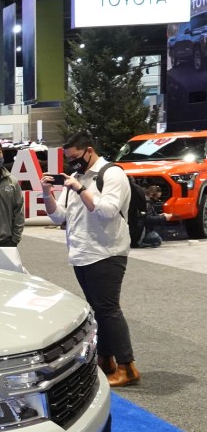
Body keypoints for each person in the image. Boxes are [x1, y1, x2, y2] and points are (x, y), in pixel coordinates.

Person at [40, 131, 139, 387]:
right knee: (99, 311)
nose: (73, 164)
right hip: (81, 253)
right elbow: (58, 216)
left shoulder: (112, 174)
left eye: (75, 158)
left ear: (89, 151)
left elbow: (107, 211)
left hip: (107, 252)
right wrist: (46, 193)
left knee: (109, 310)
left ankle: (128, 368)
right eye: (68, 159)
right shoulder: (76, 177)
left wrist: (81, 188)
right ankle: (106, 361)